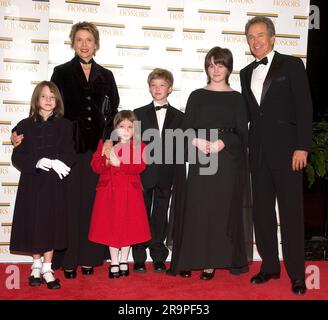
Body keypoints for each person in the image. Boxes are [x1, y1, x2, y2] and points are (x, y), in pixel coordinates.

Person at [11, 21, 119, 278]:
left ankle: (91, 257)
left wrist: (108, 141)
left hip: (95, 151)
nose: (84, 44)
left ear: (96, 44)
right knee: (67, 206)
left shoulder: (107, 75)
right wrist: (18, 136)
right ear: (73, 42)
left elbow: (112, 111)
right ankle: (69, 259)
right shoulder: (60, 72)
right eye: (79, 39)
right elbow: (50, 111)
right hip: (67, 151)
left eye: (89, 40)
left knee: (92, 205)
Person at [240, 17, 313, 295]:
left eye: (260, 35)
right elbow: (248, 115)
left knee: (291, 214)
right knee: (262, 213)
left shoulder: (292, 65)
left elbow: (304, 107)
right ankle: (269, 266)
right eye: (250, 37)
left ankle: (297, 274)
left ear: (272, 38)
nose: (255, 41)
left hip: (288, 152)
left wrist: (303, 146)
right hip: (257, 153)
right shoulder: (246, 73)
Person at [168, 47, 253, 280]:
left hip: (226, 160)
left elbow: (241, 134)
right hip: (200, 155)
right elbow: (185, 129)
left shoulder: (237, 98)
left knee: (220, 210)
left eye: (220, 65)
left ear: (228, 67)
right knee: (196, 207)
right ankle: (189, 258)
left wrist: (222, 142)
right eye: (211, 65)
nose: (216, 70)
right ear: (207, 68)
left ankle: (210, 263)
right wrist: (196, 140)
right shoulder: (196, 95)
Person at [10, 81, 76, 289]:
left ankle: (48, 268)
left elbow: (70, 152)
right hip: (31, 183)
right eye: (44, 96)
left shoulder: (66, 126)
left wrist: (60, 162)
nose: (48, 100)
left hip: (54, 184)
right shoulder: (23, 125)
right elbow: (17, 156)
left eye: (52, 97)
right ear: (36, 99)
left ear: (57, 101)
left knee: (51, 224)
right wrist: (35, 163)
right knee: (33, 223)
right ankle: (36, 265)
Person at [132, 68, 184, 273]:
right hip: (143, 173)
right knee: (140, 214)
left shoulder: (180, 117)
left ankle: (158, 255)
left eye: (162, 85)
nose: (158, 89)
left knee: (161, 215)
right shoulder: (138, 113)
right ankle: (138, 256)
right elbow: (133, 145)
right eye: (154, 85)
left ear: (170, 89)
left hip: (167, 174)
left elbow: (182, 147)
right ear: (149, 88)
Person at [88, 110, 151, 279]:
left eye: (130, 127)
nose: (125, 130)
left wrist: (120, 164)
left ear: (135, 129)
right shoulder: (105, 145)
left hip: (130, 193)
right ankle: (114, 261)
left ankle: (124, 260)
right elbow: (95, 166)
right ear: (115, 128)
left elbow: (140, 166)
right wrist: (107, 161)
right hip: (108, 193)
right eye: (121, 126)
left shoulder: (140, 146)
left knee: (128, 226)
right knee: (111, 226)